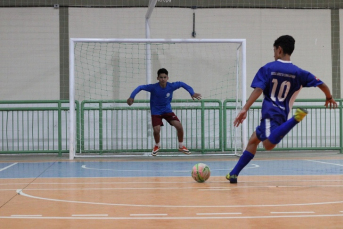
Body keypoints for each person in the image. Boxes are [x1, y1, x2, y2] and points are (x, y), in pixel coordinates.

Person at [226, 35, 338, 183]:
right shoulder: (299, 72)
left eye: (274, 50)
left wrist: (244, 108)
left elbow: (258, 90)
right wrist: (329, 97)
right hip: (282, 114)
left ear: (279, 50)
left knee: (268, 145)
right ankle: (234, 173)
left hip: (269, 114)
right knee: (254, 140)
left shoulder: (268, 68)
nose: (273, 54)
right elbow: (321, 84)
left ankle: (296, 119)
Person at [127, 68, 202, 156]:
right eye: (161, 77)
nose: (163, 79)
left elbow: (182, 84)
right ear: (157, 78)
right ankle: (157, 145)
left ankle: (181, 146)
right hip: (156, 111)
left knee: (179, 126)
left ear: (167, 78)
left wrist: (192, 93)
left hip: (167, 110)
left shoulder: (171, 86)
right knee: (156, 130)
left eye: (164, 77)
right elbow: (140, 87)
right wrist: (132, 97)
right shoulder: (153, 87)